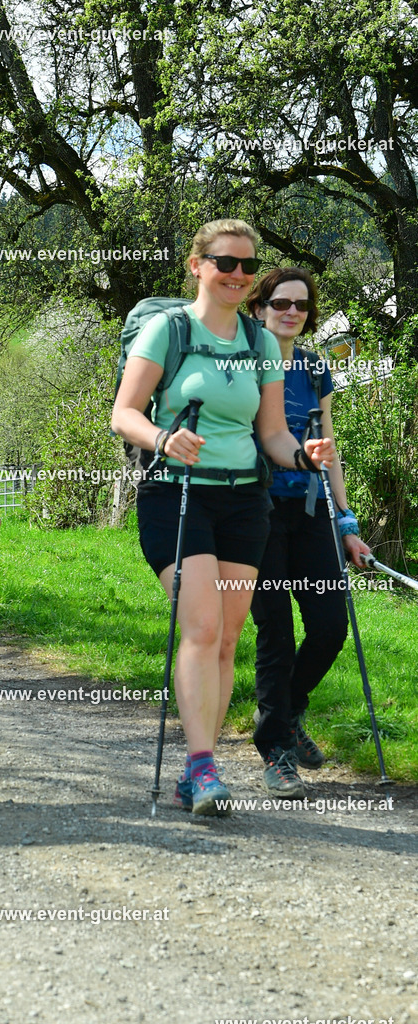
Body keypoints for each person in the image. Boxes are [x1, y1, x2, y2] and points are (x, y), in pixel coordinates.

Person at [111, 219, 335, 817]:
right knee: (203, 628)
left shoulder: (260, 344)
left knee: (229, 635)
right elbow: (124, 414)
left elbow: (271, 432)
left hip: (244, 503)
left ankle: (201, 767)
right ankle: (202, 767)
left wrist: (303, 456)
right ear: (197, 265)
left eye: (246, 267)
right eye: (225, 263)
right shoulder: (169, 329)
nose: (237, 276)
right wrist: (163, 438)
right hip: (177, 496)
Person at [246, 268, 370, 797]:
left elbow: (328, 447)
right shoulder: (242, 362)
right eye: (280, 303)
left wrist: (347, 521)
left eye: (300, 305)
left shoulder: (316, 368)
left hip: (312, 509)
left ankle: (287, 713)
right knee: (275, 630)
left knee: (329, 628)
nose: (291, 312)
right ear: (258, 308)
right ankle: (275, 750)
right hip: (255, 512)